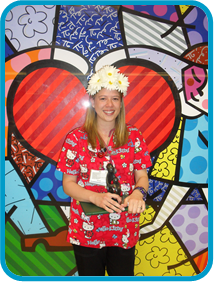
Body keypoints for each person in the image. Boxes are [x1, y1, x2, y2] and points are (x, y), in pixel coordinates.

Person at [56, 65, 152, 276]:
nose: (109, 105)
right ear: (92, 101)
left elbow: (142, 176)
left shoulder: (134, 136)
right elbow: (68, 184)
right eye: (102, 98)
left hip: (124, 228)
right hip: (86, 231)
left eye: (115, 99)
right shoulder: (75, 139)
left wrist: (139, 192)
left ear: (121, 103)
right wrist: (95, 198)